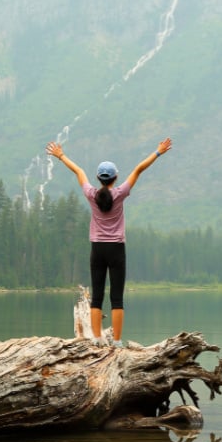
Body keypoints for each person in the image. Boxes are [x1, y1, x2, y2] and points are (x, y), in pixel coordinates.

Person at [45, 138, 172, 346]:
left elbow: (78, 171)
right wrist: (158, 152)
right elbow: (139, 169)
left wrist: (60, 156)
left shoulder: (91, 194)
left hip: (97, 249)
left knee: (96, 297)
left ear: (98, 178)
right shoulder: (120, 193)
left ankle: (96, 339)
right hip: (116, 249)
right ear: (115, 178)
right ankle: (117, 342)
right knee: (117, 299)